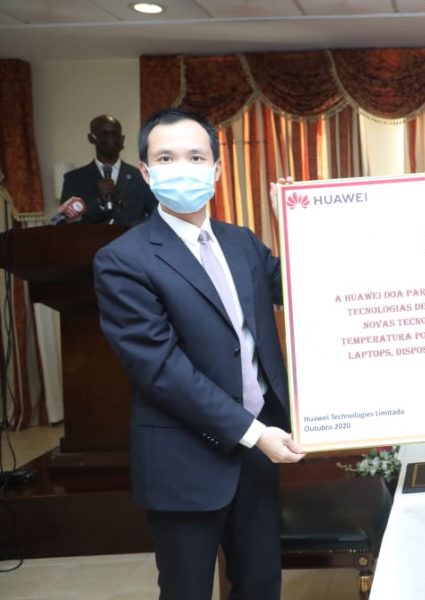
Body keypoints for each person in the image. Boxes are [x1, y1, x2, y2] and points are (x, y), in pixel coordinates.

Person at [93, 107, 304, 600]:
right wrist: (254, 433)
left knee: (260, 586)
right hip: (185, 460)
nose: (182, 168)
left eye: (195, 156)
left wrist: (295, 222)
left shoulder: (243, 243)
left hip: (259, 453)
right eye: (166, 158)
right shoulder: (123, 259)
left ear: (216, 169)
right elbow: (161, 370)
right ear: (146, 172)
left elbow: (304, 289)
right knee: (186, 591)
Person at [57, 114, 157, 225]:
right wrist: (99, 201)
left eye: (115, 134)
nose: (110, 138)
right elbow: (66, 223)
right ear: (91, 138)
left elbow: (156, 216)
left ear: (122, 139)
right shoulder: (74, 179)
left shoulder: (141, 176)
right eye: (104, 134)